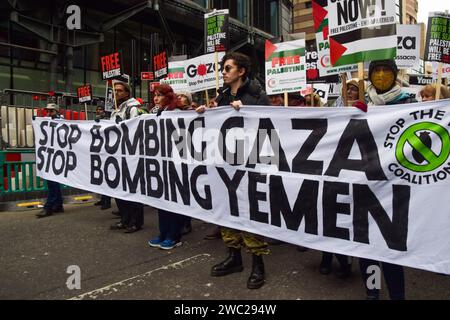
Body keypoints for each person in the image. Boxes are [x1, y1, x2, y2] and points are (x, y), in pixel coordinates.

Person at [198, 52, 271, 289]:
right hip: (224, 164)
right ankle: (234, 257)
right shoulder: (221, 97)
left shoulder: (257, 95)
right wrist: (205, 113)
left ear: (241, 71)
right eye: (223, 68)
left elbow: (268, 126)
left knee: (249, 212)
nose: (224, 72)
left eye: (228, 68)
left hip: (248, 165)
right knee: (227, 209)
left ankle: (257, 264)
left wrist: (247, 109)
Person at [359, 59, 414, 300]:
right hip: (366, 184)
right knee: (367, 246)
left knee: (390, 247)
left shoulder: (409, 103)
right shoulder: (361, 105)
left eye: (386, 71)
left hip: (395, 186)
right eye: (376, 71)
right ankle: (373, 291)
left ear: (395, 74)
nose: (381, 75)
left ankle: (397, 294)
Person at [147, 84, 189, 250]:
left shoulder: (178, 113)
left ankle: (174, 235)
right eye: (154, 95)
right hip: (161, 164)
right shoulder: (157, 113)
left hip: (175, 164)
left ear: (168, 96)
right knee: (162, 201)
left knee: (174, 201)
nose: (156, 98)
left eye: (159, 95)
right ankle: (163, 233)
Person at [109, 81, 144, 233]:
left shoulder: (133, 108)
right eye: (115, 91)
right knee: (119, 190)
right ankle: (125, 219)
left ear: (127, 93)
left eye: (120, 91)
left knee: (132, 190)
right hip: (117, 154)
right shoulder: (116, 110)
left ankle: (136, 222)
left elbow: (134, 129)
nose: (116, 93)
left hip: (130, 155)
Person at [36, 102, 64, 218]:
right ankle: (58, 205)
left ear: (57, 112)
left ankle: (49, 207)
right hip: (50, 154)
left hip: (57, 155)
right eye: (47, 111)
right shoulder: (46, 121)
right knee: (52, 181)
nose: (48, 113)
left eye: (51, 111)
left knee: (52, 181)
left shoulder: (62, 122)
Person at [93, 105, 112, 210]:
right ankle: (102, 199)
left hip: (108, 152)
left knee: (107, 178)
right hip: (100, 152)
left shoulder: (109, 120)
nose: (99, 111)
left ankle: (107, 201)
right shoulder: (97, 120)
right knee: (102, 178)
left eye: (100, 110)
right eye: (97, 110)